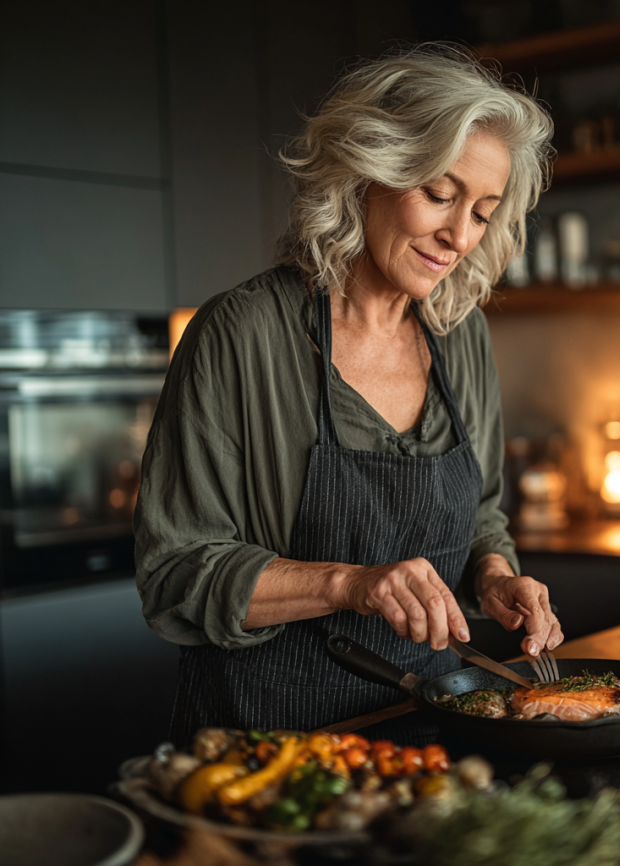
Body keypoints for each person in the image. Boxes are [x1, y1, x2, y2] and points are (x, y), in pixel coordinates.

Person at [134, 45, 562, 742]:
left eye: (482, 212)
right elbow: (176, 573)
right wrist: (349, 583)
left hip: (430, 740)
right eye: (440, 194)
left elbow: (482, 513)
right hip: (264, 750)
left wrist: (493, 577)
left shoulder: (461, 336)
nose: (459, 237)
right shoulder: (241, 334)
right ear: (370, 169)